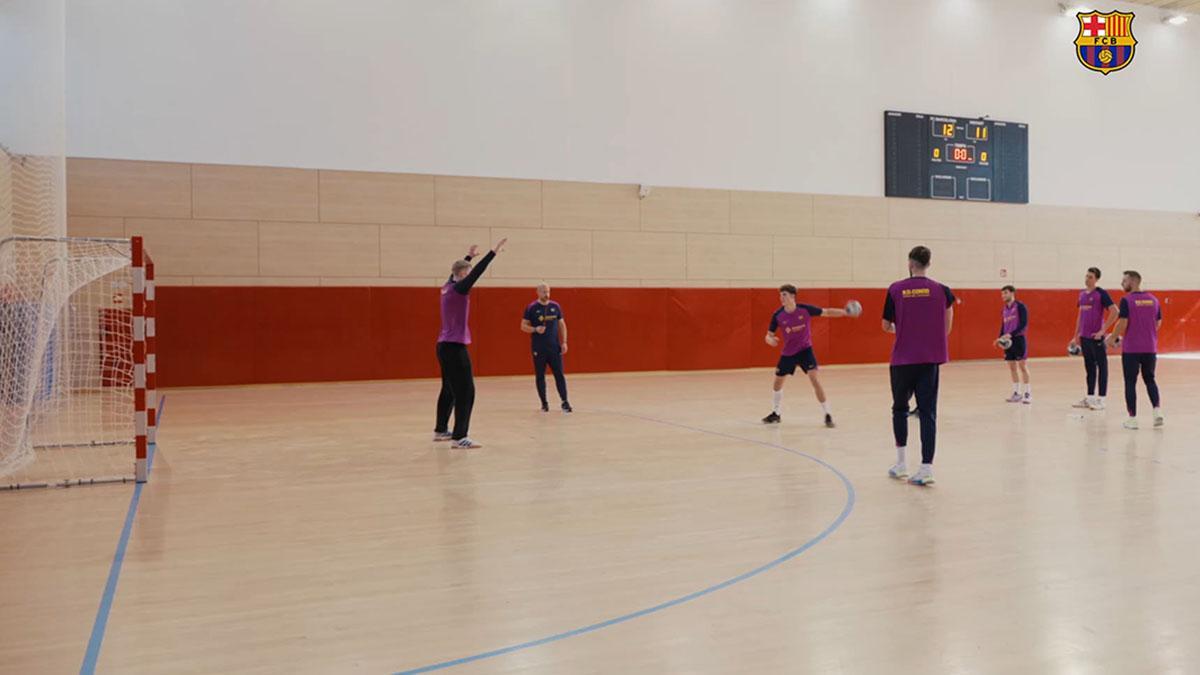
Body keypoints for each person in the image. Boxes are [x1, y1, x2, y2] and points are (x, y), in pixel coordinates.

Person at [882, 246, 954, 486]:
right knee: (927, 413)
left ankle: (901, 464)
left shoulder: (895, 289)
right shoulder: (943, 291)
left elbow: (885, 325)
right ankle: (926, 468)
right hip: (929, 360)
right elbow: (947, 327)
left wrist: (903, 329)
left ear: (910, 263)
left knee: (899, 409)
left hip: (902, 360)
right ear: (928, 264)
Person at [433, 238, 507, 448]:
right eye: (467, 272)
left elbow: (458, 270)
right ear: (463, 275)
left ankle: (440, 430)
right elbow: (476, 273)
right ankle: (460, 437)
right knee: (466, 391)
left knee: (449, 389)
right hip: (455, 348)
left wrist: (468, 257)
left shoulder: (447, 286)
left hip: (443, 346)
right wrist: (493, 252)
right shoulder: (459, 289)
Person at [762, 285, 857, 427]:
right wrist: (770, 340)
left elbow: (826, 312)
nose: (781, 298)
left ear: (792, 296)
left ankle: (827, 414)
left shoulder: (804, 309)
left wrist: (845, 312)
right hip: (788, 353)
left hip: (805, 351)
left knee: (814, 379)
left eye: (784, 295)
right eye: (780, 295)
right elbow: (769, 335)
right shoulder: (778, 315)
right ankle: (776, 413)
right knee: (777, 383)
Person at [1107, 270, 1163, 430]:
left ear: (1133, 282)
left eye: (1124, 281)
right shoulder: (1154, 300)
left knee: (1130, 382)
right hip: (1150, 348)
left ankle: (1132, 419)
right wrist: (1146, 333)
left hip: (1132, 349)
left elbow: (1122, 322)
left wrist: (1112, 338)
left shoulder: (1127, 300)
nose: (1122, 283)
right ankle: (1157, 412)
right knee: (1150, 379)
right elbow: (1158, 323)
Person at [1068, 267, 1117, 410]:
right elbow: (1080, 316)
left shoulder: (1101, 293)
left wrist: (1103, 330)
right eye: (1086, 276)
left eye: (1090, 277)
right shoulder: (1082, 294)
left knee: (1102, 367)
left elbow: (1115, 311)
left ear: (1096, 279)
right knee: (1089, 368)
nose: (1087, 279)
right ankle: (1090, 398)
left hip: (1096, 337)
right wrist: (1076, 335)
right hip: (1084, 337)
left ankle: (1101, 400)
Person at [520, 284, 572, 413]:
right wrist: (535, 329)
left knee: (559, 375)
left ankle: (565, 401)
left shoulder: (555, 306)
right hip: (539, 348)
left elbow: (562, 325)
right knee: (540, 376)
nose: (546, 294)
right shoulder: (531, 307)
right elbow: (523, 326)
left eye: (548, 291)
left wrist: (564, 342)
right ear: (537, 292)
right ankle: (544, 403)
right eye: (543, 292)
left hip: (554, 348)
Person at [996, 285, 1031, 404]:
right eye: (1002, 294)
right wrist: (1000, 337)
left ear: (1012, 293)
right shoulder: (1004, 309)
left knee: (1022, 366)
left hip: (1018, 339)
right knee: (1012, 367)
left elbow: (1024, 324)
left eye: (1005, 293)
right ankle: (1017, 393)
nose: (1003, 296)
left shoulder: (1020, 306)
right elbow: (1003, 325)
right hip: (1007, 342)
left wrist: (1011, 334)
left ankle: (1028, 394)